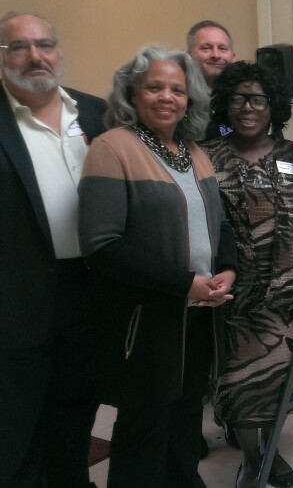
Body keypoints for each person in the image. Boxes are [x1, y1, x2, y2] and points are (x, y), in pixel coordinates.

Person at [78, 45, 237, 488]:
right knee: (144, 427)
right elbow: (101, 245)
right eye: (155, 87)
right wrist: (186, 283)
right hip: (144, 321)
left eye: (178, 89)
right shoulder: (114, 148)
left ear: (190, 99)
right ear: (133, 93)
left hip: (199, 314)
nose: (167, 97)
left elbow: (218, 222)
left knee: (186, 419)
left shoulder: (192, 151)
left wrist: (227, 268)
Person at [201, 61, 293, 488]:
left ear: (273, 106)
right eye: (238, 97)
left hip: (290, 292)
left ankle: (273, 442)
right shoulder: (206, 156)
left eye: (258, 99)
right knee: (240, 382)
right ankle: (253, 456)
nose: (247, 107)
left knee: (280, 377)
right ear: (225, 103)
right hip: (234, 293)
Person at [0, 11, 106, 488]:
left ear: (59, 51)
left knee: (74, 416)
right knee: (15, 427)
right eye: (18, 47)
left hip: (88, 293)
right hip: (14, 300)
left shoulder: (98, 113)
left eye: (44, 44)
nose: (34, 56)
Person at [187, 20, 236, 139]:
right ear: (188, 56)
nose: (216, 55)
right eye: (206, 48)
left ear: (233, 57)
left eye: (222, 48)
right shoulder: (179, 100)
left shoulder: (244, 98)